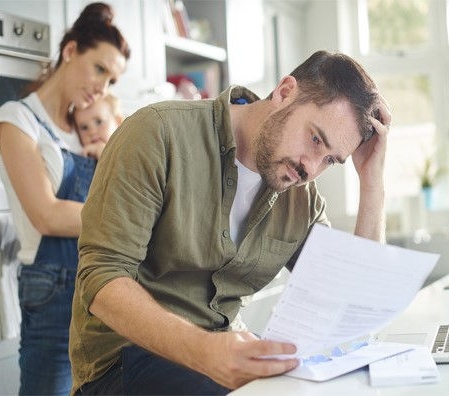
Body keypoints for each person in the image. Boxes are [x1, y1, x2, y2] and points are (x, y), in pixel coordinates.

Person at [69, 50, 391, 395]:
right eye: (315, 139)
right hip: (123, 364)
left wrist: (372, 182)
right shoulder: (158, 133)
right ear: (284, 93)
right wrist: (205, 351)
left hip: (219, 360)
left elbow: (351, 304)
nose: (311, 168)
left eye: (330, 159)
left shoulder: (302, 198)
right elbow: (102, 277)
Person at [0, 3, 129, 395]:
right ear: (70, 52)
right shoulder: (18, 119)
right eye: (99, 69)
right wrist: (127, 219)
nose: (102, 87)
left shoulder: (89, 129)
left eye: (112, 80)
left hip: (103, 287)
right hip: (51, 290)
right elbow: (47, 215)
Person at [73, 94, 123, 159]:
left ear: (118, 122)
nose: (92, 132)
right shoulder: (83, 155)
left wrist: (103, 154)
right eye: (84, 127)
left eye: (99, 122)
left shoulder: (127, 149)